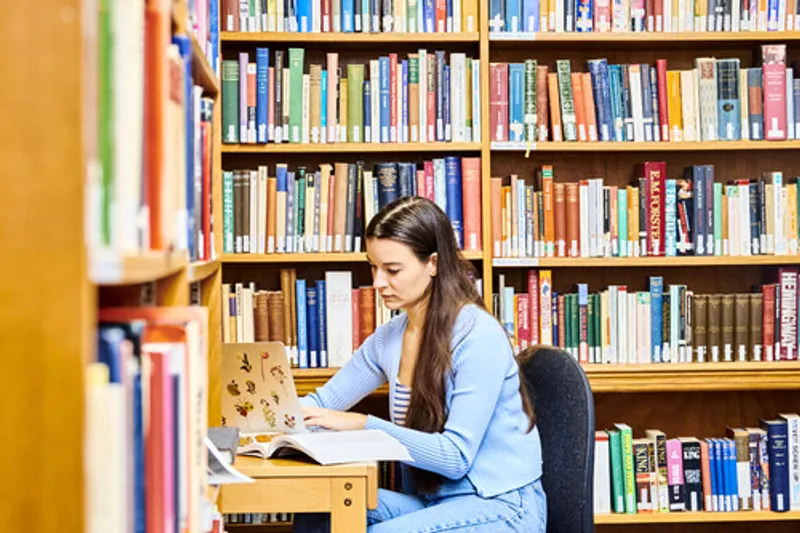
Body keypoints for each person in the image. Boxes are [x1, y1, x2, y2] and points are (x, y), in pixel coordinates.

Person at [294, 196, 546, 533]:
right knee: (318, 509)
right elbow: (324, 403)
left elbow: (456, 457)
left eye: (393, 270)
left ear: (433, 263)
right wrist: (267, 421)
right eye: (373, 266)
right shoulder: (390, 338)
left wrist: (363, 424)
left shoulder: (478, 336)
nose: (378, 282)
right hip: (439, 502)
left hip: (503, 505)